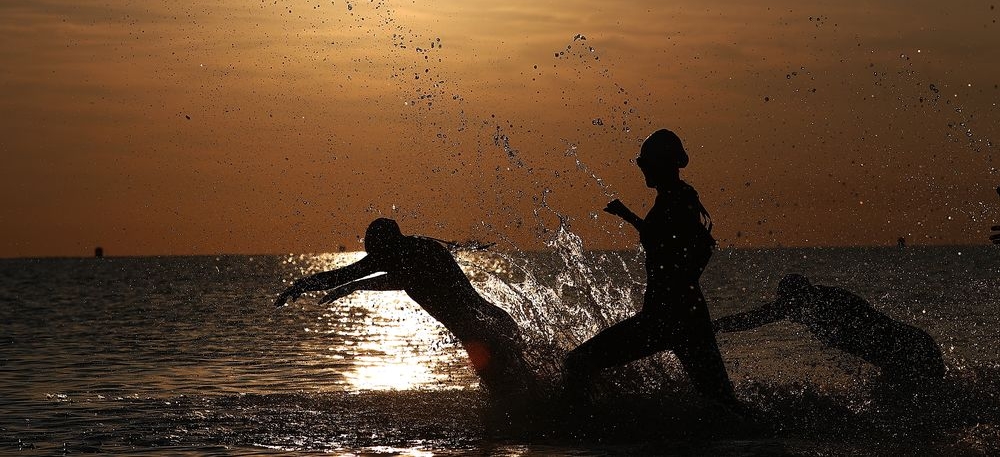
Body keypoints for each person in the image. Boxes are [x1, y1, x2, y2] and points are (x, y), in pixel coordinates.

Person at [564, 129, 738, 408]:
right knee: (722, 402)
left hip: (664, 319)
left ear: (663, 162)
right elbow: (671, 242)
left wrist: (679, 282)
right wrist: (630, 217)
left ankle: (581, 428)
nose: (642, 168)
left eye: (644, 162)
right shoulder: (677, 198)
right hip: (687, 316)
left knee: (576, 363)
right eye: (640, 162)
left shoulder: (677, 200)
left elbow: (691, 246)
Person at [275, 218, 538, 400]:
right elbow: (342, 275)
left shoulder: (417, 252)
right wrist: (301, 284)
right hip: (491, 328)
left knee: (517, 403)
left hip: (484, 334)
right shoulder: (401, 251)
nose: (372, 258)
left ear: (387, 244)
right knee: (522, 395)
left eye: (374, 249)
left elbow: (405, 279)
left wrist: (355, 286)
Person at [713, 273, 945, 388]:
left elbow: (876, 333)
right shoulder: (804, 304)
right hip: (903, 353)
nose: (785, 311)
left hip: (915, 348)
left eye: (787, 305)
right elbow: (755, 317)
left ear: (800, 297)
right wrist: (716, 326)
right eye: (783, 305)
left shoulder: (831, 302)